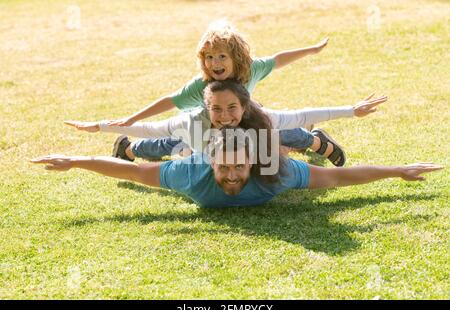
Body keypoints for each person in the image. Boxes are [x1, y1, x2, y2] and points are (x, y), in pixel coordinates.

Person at [31, 127, 442, 208]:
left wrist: (397, 170)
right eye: (223, 168)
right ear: (211, 162)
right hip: (187, 151)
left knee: (286, 137)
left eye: (237, 169)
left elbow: (335, 177)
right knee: (173, 148)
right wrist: (77, 161)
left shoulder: (275, 173)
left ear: (252, 162)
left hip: (267, 144)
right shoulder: (190, 173)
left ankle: (314, 137)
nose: (230, 176)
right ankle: (133, 144)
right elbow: (133, 174)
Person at [65, 80, 387, 167]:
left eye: (232, 108)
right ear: (206, 107)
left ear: (244, 105)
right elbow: (155, 128)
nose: (225, 116)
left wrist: (351, 110)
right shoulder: (198, 121)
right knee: (173, 146)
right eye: (217, 109)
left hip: (259, 139)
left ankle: (322, 142)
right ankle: (128, 151)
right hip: (203, 145)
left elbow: (303, 113)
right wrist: (103, 126)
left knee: (290, 137)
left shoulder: (257, 116)